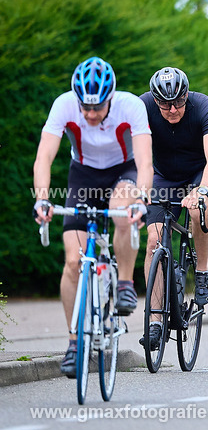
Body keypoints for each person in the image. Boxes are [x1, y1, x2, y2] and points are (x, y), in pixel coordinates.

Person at [32, 57, 152, 377]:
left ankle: (124, 282)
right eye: (85, 107)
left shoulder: (130, 107)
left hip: (123, 171)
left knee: (122, 212)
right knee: (73, 262)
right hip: (83, 176)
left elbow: (145, 162)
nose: (90, 114)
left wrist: (141, 200)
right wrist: (42, 199)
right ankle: (74, 344)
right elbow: (44, 156)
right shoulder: (64, 105)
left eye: (97, 107)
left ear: (111, 97)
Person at [139, 67, 208, 351]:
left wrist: (202, 190)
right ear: (155, 100)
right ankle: (154, 322)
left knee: (199, 210)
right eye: (165, 104)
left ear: (187, 95)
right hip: (163, 177)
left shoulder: (204, 107)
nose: (173, 109)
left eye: (178, 101)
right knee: (153, 241)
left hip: (199, 174)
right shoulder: (143, 107)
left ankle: (201, 270)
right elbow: (133, 155)